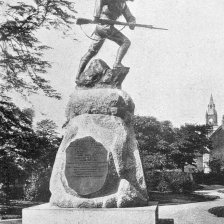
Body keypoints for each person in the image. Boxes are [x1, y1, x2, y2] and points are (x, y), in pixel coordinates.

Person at [76, 0, 136, 83]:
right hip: (105, 27)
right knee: (126, 42)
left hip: (101, 28)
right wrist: (96, 16)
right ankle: (117, 64)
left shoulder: (123, 5)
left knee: (91, 52)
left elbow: (130, 17)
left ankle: (77, 77)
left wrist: (132, 22)